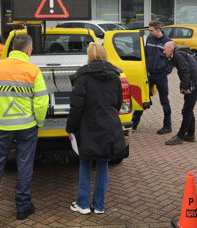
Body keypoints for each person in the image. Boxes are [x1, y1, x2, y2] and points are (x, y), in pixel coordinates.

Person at [0, 34, 49, 221]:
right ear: (29, 50)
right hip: (27, 126)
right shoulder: (33, 71)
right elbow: (41, 101)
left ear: (11, 49)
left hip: (2, 125)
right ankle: (23, 207)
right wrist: (39, 121)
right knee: (25, 165)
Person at [66, 43, 126, 215]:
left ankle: (83, 204)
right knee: (103, 165)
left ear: (89, 56)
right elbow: (118, 102)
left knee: (85, 163)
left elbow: (76, 106)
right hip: (109, 125)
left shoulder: (83, 77)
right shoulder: (115, 76)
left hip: (88, 126)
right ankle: (99, 205)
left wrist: (70, 128)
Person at [132, 20, 173, 134]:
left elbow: (172, 59)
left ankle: (167, 126)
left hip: (161, 76)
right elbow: (145, 55)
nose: (149, 32)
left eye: (151, 30)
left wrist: (166, 71)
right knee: (141, 99)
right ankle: (134, 124)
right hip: (149, 75)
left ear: (158, 30)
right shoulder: (149, 39)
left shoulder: (168, 42)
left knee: (164, 101)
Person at [162, 42, 197, 145]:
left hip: (195, 86)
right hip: (195, 84)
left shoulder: (178, 55)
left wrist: (185, 87)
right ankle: (190, 135)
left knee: (186, 111)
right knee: (188, 110)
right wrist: (183, 86)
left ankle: (180, 137)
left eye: (164, 49)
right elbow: (183, 71)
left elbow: (185, 71)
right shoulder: (178, 54)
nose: (163, 51)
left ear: (171, 48)